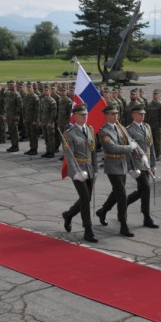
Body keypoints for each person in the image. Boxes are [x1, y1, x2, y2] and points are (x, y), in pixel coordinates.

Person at [96, 105, 138, 238]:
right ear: (107, 116)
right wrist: (129, 147)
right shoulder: (103, 131)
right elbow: (112, 147)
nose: (116, 116)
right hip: (112, 165)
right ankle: (123, 224)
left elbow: (129, 142)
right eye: (113, 114)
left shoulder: (121, 128)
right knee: (121, 195)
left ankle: (103, 211)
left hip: (123, 164)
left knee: (116, 192)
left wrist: (132, 165)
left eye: (117, 114)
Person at [61, 104, 100, 243]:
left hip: (89, 169)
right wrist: (76, 173)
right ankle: (88, 230)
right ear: (75, 116)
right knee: (84, 198)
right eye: (82, 114)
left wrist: (95, 170)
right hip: (78, 170)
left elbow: (93, 151)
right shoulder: (69, 134)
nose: (85, 116)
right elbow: (69, 156)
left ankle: (68, 215)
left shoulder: (90, 130)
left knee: (87, 198)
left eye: (86, 114)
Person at [125, 103, 159, 229]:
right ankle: (147, 217)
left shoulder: (147, 127)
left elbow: (152, 146)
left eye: (144, 113)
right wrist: (131, 168)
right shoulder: (129, 130)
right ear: (133, 115)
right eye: (140, 114)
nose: (143, 115)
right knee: (146, 188)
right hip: (138, 164)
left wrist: (153, 163)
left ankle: (122, 204)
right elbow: (129, 151)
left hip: (147, 163)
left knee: (141, 191)